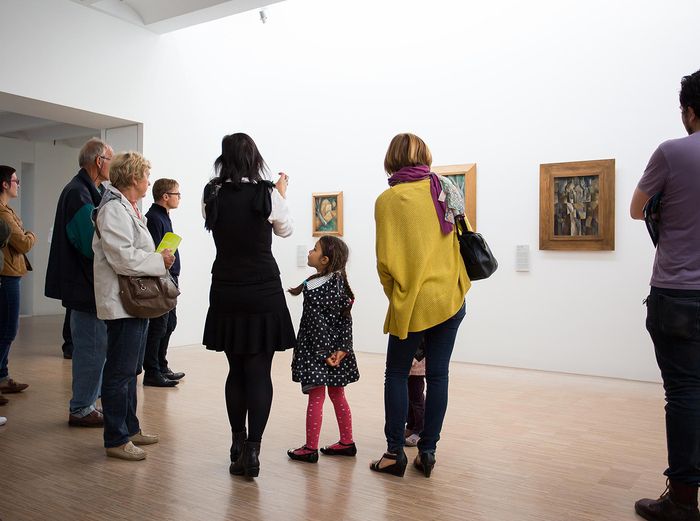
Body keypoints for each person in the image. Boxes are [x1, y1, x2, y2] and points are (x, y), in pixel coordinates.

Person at [371, 133, 470, 478]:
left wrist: (396, 294)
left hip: (412, 302)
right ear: (424, 155)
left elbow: (385, 261)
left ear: (392, 158)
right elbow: (464, 238)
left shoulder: (388, 200)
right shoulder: (444, 188)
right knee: (438, 374)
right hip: (450, 296)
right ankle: (427, 452)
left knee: (396, 373)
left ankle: (394, 453)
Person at [202, 132, 296, 478]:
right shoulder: (266, 193)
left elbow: (215, 224)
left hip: (226, 286)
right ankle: (253, 451)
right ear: (254, 157)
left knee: (236, 370)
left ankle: (237, 443)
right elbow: (284, 230)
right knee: (259, 372)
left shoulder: (211, 193)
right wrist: (280, 194)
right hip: (262, 289)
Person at [631, 69, 700, 521]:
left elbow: (637, 209)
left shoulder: (673, 152)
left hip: (679, 292)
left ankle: (682, 499)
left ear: (689, 110)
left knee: (685, 393)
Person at [93, 151, 174, 461]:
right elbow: (122, 258)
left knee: (131, 370)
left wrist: (159, 258)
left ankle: (130, 426)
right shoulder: (113, 211)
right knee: (119, 372)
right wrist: (159, 261)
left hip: (134, 302)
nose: (148, 181)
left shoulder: (128, 209)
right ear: (132, 178)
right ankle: (116, 438)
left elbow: (132, 253)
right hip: (122, 302)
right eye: (145, 175)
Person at [45, 138, 114, 427]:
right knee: (91, 348)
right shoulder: (78, 193)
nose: (114, 164)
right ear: (99, 161)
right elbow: (89, 243)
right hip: (84, 287)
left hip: (88, 286)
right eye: (111, 158)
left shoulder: (89, 191)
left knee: (96, 348)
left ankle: (87, 404)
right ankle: (81, 408)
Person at [287, 236, 360, 463]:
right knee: (338, 395)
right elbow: (345, 321)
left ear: (325, 259)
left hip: (317, 353)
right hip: (338, 353)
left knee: (316, 398)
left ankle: (310, 448)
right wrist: (342, 349)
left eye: (315, 249)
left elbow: (314, 324)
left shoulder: (313, 287)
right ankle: (347, 442)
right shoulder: (340, 284)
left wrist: (323, 354)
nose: (310, 251)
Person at [143, 178, 185, 387]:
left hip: (169, 278)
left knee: (169, 324)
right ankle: (152, 371)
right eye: (177, 194)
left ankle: (161, 365)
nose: (180, 198)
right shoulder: (154, 218)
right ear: (165, 196)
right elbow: (156, 253)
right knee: (159, 325)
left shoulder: (163, 216)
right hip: (161, 279)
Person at [0, 165, 35, 401]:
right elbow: (22, 243)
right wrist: (32, 235)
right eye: (15, 180)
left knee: (6, 330)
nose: (18, 184)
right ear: (4, 184)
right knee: (7, 330)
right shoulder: (2, 213)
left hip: (10, 274)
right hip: (6, 276)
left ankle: (2, 377)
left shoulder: (6, 210)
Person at [405, 351, 426, 447]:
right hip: (410, 363)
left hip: (418, 364)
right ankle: (411, 426)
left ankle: (419, 431)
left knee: (417, 400)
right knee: (409, 398)